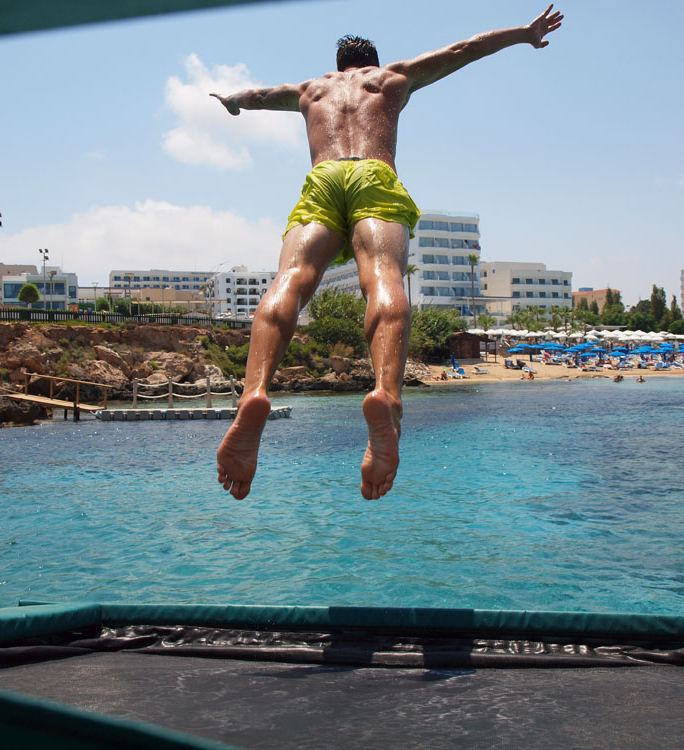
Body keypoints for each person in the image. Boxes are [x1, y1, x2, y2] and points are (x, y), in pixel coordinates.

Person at [211, 6, 565, 500]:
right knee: (384, 279)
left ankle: (253, 394)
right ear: (372, 64)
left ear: (337, 67)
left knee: (288, 282)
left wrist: (231, 101)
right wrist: (524, 34)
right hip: (372, 175)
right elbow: (464, 49)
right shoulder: (391, 79)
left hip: (323, 180)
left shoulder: (311, 90)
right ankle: (387, 396)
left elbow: (256, 95)